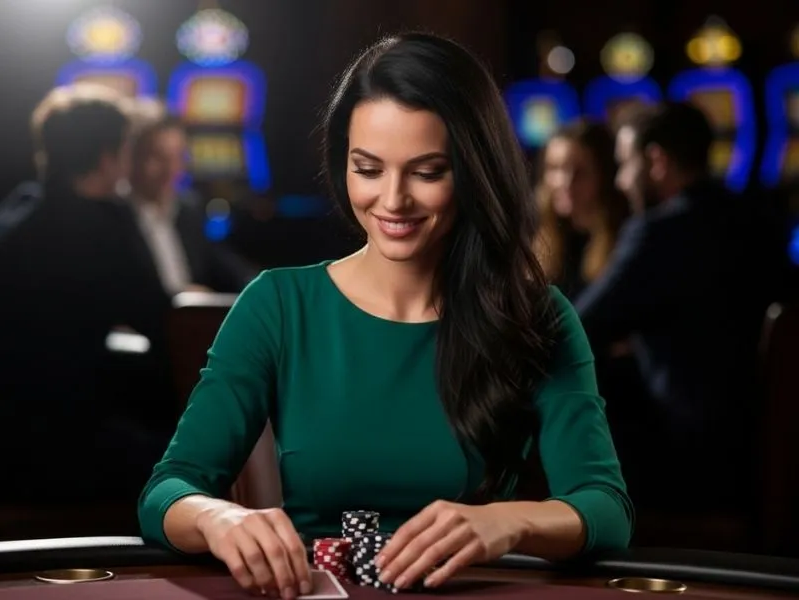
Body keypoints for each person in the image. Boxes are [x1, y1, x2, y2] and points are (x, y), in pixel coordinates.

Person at [138, 33, 632, 596]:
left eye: (427, 172)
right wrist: (219, 517)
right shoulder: (277, 305)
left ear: (473, 171)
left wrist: (506, 520)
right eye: (368, 168)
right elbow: (167, 491)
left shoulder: (534, 314)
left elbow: (605, 508)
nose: (392, 200)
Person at [574, 101, 776, 510]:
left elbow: (575, 330)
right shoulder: (759, 220)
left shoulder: (659, 232)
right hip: (761, 453)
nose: (622, 180)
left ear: (657, 161)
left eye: (626, 165)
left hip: (686, 462)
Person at [0, 83, 171, 502]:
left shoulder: (16, 213)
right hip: (66, 440)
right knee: (196, 456)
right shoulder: (103, 227)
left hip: (8, 433)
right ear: (108, 158)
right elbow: (160, 321)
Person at [127, 99, 258, 297]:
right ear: (129, 157)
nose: (170, 169)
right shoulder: (113, 217)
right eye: (157, 157)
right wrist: (178, 297)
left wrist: (266, 289)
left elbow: (225, 266)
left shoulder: (187, 208)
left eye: (177, 157)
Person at [533, 119, 629, 299]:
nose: (565, 182)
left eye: (580, 171)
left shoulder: (625, 236)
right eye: (555, 169)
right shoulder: (538, 232)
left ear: (604, 174)